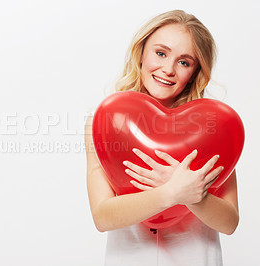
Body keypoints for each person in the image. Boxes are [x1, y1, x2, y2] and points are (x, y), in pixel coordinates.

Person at [84, 10, 239, 266]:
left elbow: (230, 221)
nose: (168, 69)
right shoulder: (106, 120)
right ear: (141, 52)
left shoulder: (212, 128)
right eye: (160, 53)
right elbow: (102, 216)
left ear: (195, 71)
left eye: (184, 62)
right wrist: (172, 192)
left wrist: (195, 195)